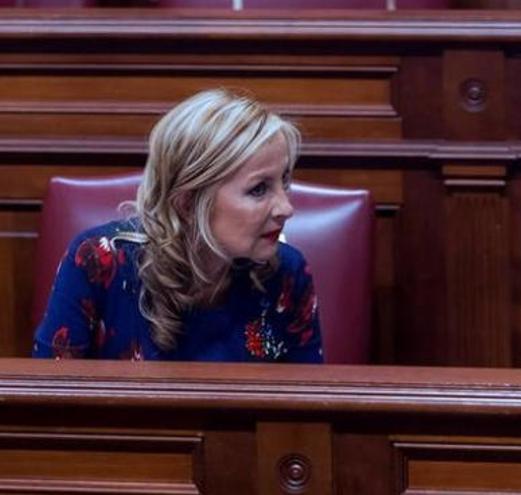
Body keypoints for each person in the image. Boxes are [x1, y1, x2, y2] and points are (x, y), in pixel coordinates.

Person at [33, 89, 322, 363]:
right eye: (259, 189)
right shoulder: (99, 263)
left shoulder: (286, 272)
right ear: (187, 203)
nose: (286, 208)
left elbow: (306, 406)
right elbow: (48, 403)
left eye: (284, 181)